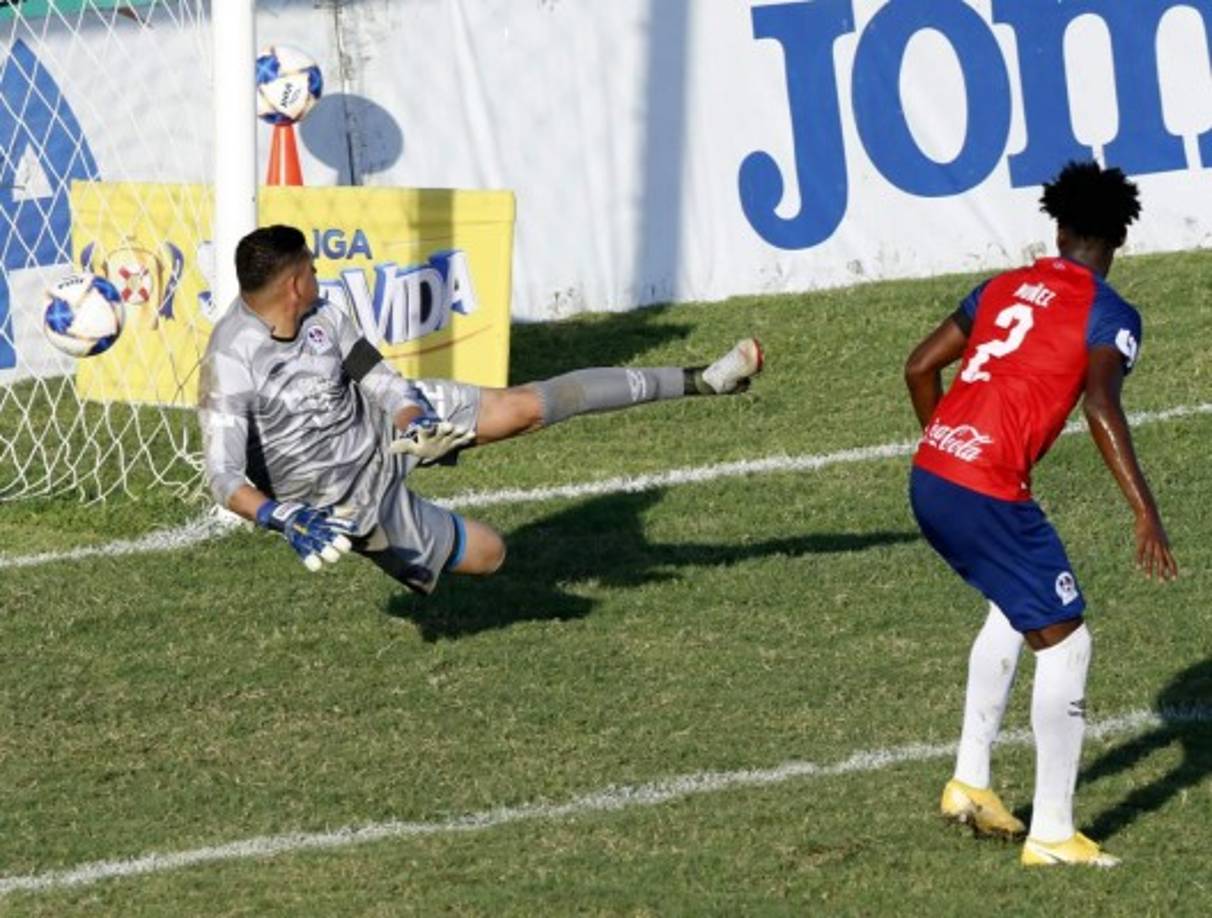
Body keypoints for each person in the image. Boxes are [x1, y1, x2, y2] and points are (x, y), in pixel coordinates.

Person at [198, 224, 763, 594]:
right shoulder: (230, 358)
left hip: (380, 430)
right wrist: (282, 516)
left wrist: (411, 420)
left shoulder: (325, 312)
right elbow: (222, 476)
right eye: (312, 270)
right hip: (339, 496)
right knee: (491, 554)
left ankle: (701, 381)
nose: (320, 277)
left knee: (527, 406)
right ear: (294, 283)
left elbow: (378, 377)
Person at [903, 161, 1177, 868]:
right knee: (1066, 642)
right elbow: (1100, 404)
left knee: (1013, 607)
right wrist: (1145, 511)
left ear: (1057, 228)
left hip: (932, 473)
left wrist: (949, 446)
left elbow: (917, 367)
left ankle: (970, 783)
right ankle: (1053, 833)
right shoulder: (1108, 313)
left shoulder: (999, 287)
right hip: (983, 488)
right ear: (1119, 236)